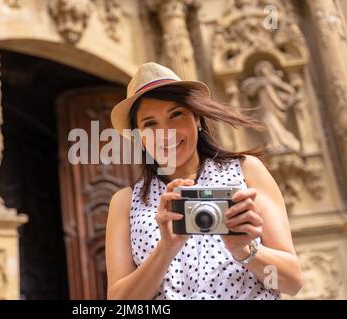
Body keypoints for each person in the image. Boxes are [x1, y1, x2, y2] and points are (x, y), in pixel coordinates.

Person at [105, 62, 302, 300]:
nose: (165, 132)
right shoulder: (126, 202)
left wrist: (245, 251)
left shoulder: (246, 170)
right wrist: (166, 248)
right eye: (149, 124)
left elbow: (292, 281)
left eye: (176, 114)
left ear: (197, 118)